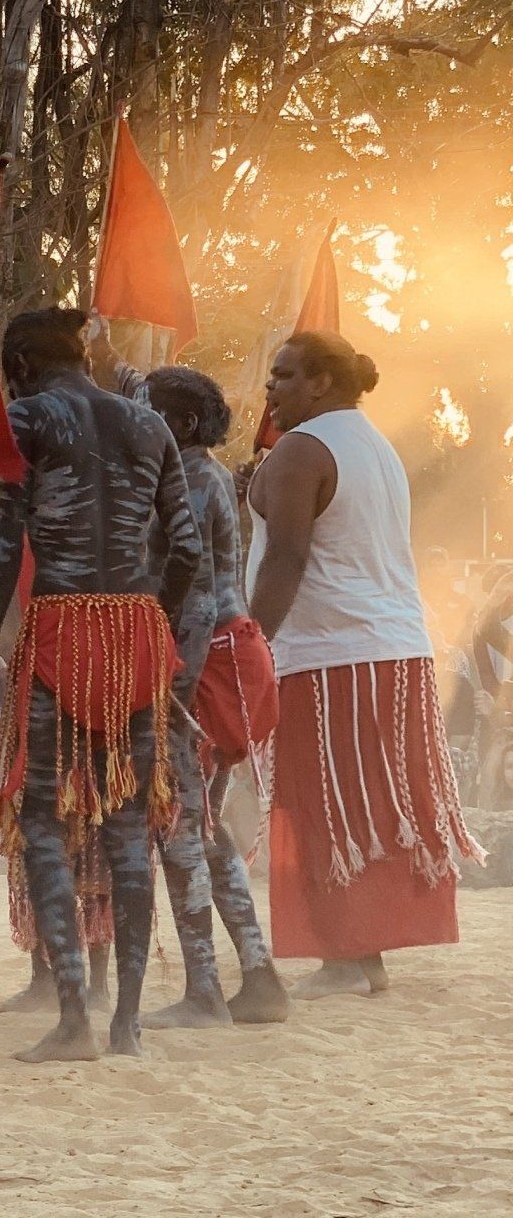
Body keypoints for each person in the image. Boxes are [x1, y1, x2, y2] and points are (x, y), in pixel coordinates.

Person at [0, 307, 201, 1063]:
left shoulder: (26, 419)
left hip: (61, 623)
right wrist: (152, 624)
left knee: (43, 823)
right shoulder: (148, 425)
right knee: (130, 824)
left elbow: (5, 550)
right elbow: (187, 548)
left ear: (22, 363)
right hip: (133, 630)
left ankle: (73, 1018)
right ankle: (125, 1022)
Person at [247, 332, 480, 997]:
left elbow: (286, 556)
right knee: (372, 805)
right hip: (397, 651)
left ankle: (349, 960)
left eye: (283, 375)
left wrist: (249, 644)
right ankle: (361, 956)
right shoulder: (372, 445)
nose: (271, 388)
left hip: (331, 656)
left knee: (327, 805)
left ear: (321, 383)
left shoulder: (301, 450)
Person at [119, 362, 288, 1029]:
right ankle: (257, 973)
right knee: (202, 826)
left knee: (181, 827)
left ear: (182, 424)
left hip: (206, 661)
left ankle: (204, 991)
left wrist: (171, 695)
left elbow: (190, 592)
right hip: (228, 655)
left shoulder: (191, 480)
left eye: (147, 411)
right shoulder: (202, 477)